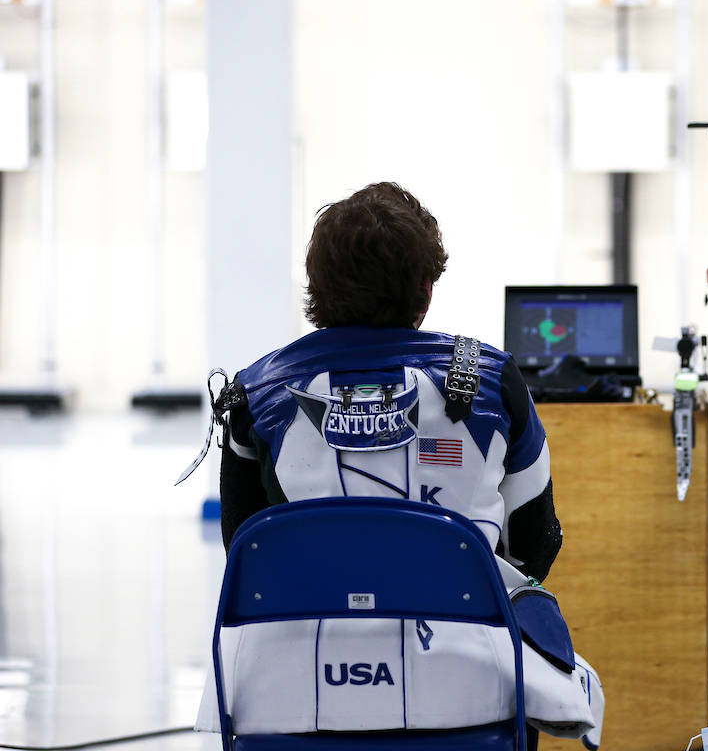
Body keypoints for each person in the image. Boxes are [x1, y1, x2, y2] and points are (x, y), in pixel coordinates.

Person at [195, 182, 603, 747]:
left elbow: (247, 552)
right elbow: (536, 546)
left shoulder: (253, 393)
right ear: (426, 289)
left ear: (316, 287)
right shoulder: (493, 381)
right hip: (467, 697)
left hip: (291, 701)